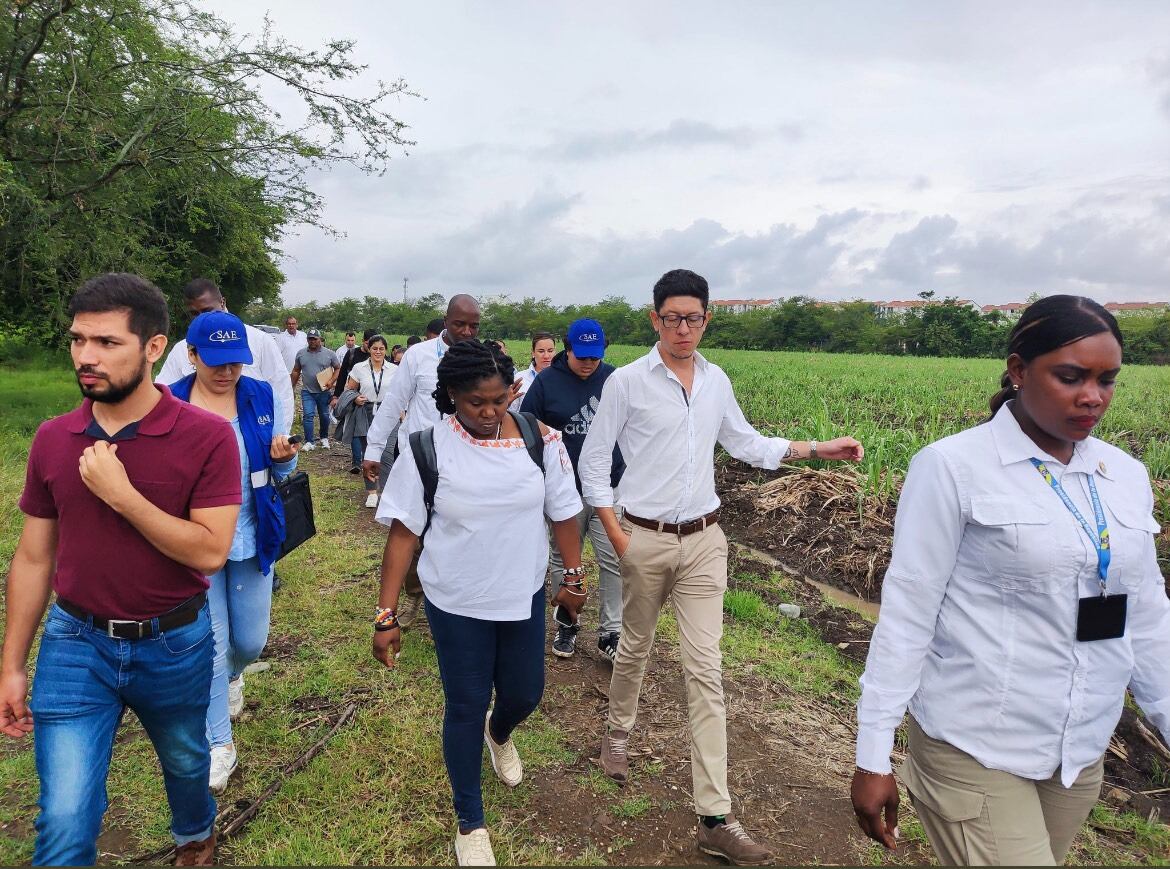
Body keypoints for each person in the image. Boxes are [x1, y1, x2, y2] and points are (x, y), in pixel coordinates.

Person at [851, 295, 1170, 866]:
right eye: (1071, 377)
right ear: (1019, 371)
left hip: (1078, 752)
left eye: (1107, 380)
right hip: (977, 743)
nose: (1093, 396)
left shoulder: (1123, 474)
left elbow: (1145, 615)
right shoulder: (952, 467)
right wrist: (873, 753)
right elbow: (909, 612)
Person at [579, 269, 864, 866]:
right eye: (673, 317)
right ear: (654, 319)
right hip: (644, 539)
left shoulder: (715, 381)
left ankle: (715, 815)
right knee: (634, 646)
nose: (684, 328)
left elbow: (746, 443)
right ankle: (619, 732)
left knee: (705, 671)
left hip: (705, 540)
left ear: (707, 319)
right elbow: (595, 460)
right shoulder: (627, 384)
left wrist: (816, 450)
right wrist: (616, 535)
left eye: (695, 318)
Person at [1, 273, 242, 866]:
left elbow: (210, 551)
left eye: (107, 343)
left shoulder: (207, 437)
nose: (87, 356)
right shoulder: (55, 439)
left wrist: (124, 496)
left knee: (187, 762)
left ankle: (195, 834)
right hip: (75, 644)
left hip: (175, 643)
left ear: (153, 347)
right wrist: (10, 665)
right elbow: (34, 556)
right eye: (79, 340)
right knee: (63, 820)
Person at [371, 340, 585, 866]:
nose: (489, 413)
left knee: (525, 694)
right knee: (464, 706)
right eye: (475, 403)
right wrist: (386, 614)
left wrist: (574, 577)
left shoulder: (541, 439)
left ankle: (501, 732)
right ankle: (471, 821)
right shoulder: (427, 449)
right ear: (450, 396)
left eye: (498, 400)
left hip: (523, 592)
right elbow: (402, 537)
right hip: (456, 600)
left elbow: (562, 511)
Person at [168, 311, 299, 793]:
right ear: (193, 355)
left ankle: (233, 677)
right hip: (196, 542)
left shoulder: (258, 394)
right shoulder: (170, 404)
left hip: (251, 534)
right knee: (212, 645)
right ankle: (219, 743)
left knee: (250, 642)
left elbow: (276, 467)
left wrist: (286, 460)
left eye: (236, 363)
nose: (227, 372)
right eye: (216, 362)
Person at [363, 296, 483, 624]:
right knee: (411, 534)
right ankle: (415, 596)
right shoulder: (418, 356)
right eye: (460, 323)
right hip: (418, 461)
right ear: (446, 321)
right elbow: (393, 403)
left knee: (457, 531)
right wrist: (374, 448)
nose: (467, 331)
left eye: (474, 325)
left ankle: (453, 600)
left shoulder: (481, 358)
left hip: (464, 461)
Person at [521, 319, 625, 660]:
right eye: (582, 356)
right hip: (566, 489)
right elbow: (526, 428)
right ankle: (567, 622)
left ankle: (611, 632)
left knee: (614, 560)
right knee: (565, 559)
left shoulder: (614, 379)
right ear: (568, 349)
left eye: (595, 357)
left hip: (610, 486)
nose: (588, 363)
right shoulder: (547, 382)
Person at [155, 279, 294, 434]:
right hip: (198, 438)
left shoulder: (259, 341)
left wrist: (280, 437)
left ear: (222, 302)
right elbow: (162, 396)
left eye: (207, 310)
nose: (202, 318)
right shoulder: (182, 349)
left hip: (252, 436)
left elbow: (282, 391)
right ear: (192, 355)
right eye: (194, 314)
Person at [343, 335, 395, 507]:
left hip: (387, 412)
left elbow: (400, 394)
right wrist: (356, 398)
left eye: (381, 349)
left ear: (385, 350)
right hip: (365, 411)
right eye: (375, 348)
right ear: (369, 349)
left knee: (387, 453)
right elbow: (349, 390)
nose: (378, 352)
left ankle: (387, 491)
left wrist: (402, 414)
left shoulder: (394, 369)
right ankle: (372, 492)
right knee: (369, 452)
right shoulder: (359, 368)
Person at [291, 328, 340, 450]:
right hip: (307, 391)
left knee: (324, 415)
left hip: (323, 391)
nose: (312, 341)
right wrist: (291, 386)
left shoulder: (329, 354)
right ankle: (309, 441)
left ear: (320, 340)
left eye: (315, 339)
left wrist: (331, 381)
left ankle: (324, 437)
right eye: (310, 339)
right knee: (308, 415)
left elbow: (338, 368)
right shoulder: (301, 353)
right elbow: (296, 370)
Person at [510, 331, 556, 410]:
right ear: (533, 353)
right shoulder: (520, 378)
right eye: (541, 351)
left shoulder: (563, 378)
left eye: (550, 351)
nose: (546, 356)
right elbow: (512, 411)